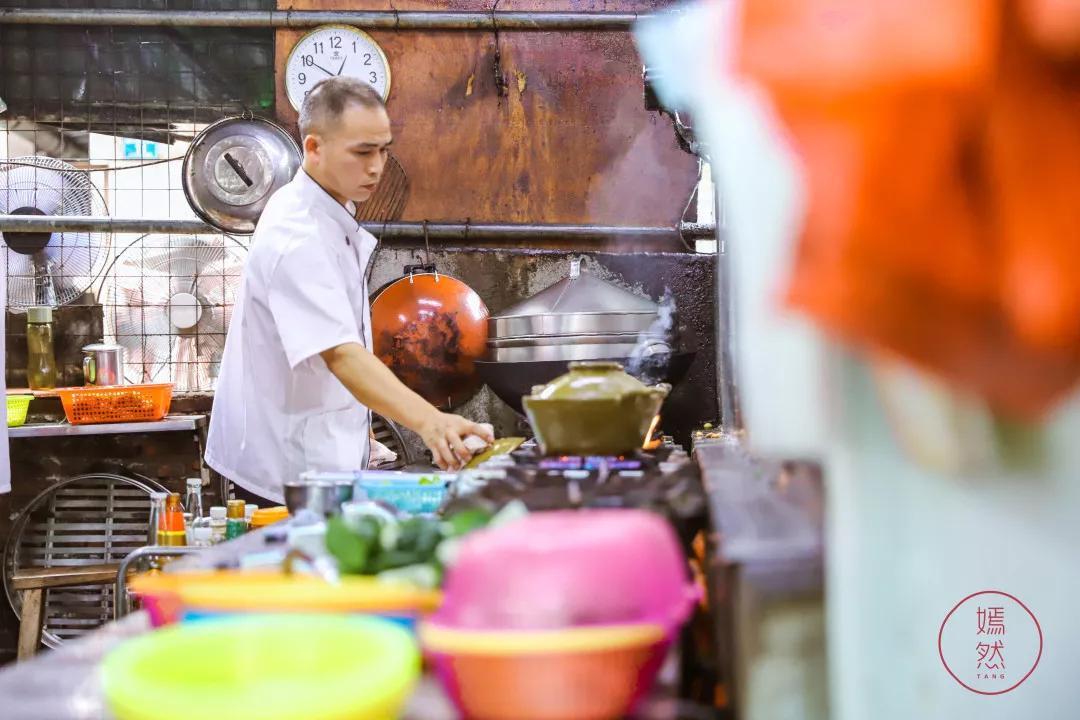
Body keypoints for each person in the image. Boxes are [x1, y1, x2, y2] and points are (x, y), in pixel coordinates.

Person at [205, 77, 492, 504]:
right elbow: (341, 355)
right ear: (314, 148)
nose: (377, 167)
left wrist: (360, 432)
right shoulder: (298, 233)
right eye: (362, 152)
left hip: (316, 447)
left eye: (383, 150)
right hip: (285, 469)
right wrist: (432, 423)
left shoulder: (329, 212)